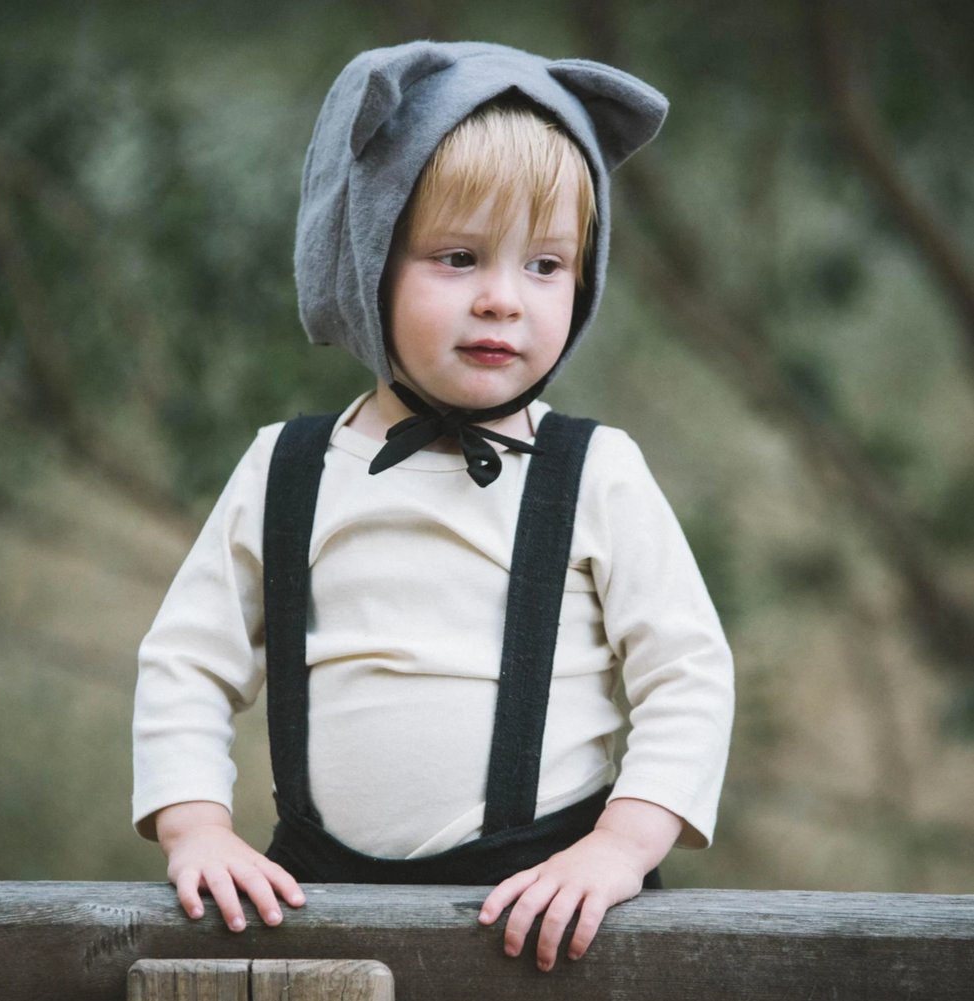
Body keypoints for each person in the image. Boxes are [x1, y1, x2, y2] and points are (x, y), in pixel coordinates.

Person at [132, 40, 734, 973]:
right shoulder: (288, 468)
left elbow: (686, 675)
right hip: (315, 900)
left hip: (550, 906)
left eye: (544, 265)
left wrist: (619, 846)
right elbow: (187, 661)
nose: (502, 300)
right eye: (458, 258)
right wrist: (196, 827)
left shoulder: (596, 473)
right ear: (366, 257)